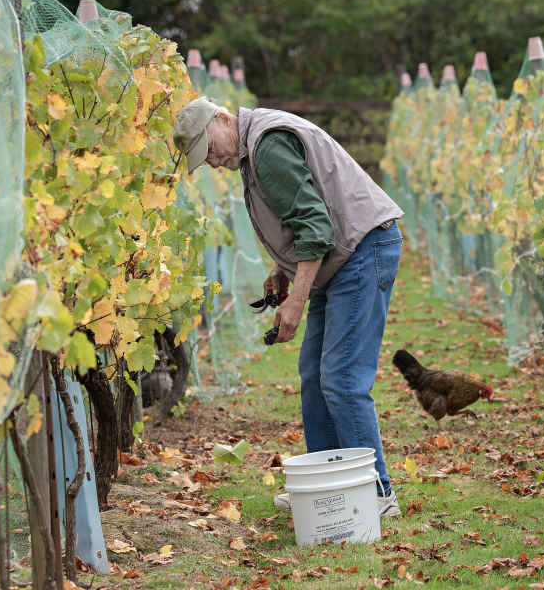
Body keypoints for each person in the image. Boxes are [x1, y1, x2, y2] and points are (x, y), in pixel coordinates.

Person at [173, 98, 404, 517]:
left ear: (223, 120)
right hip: (342, 257)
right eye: (203, 158)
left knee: (342, 378)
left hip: (361, 251)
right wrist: (282, 270)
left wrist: (296, 299)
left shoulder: (266, 145)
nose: (211, 161)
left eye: (208, 149)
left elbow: (316, 226)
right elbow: (300, 220)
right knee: (314, 374)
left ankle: (377, 493)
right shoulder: (251, 148)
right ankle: (327, 486)